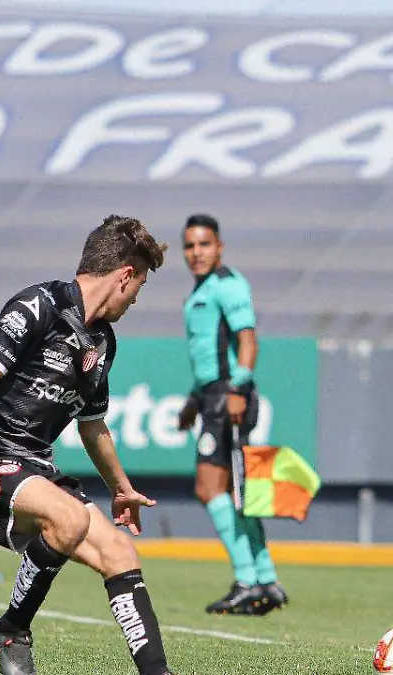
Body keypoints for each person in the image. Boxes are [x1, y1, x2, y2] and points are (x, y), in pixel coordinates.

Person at [0, 215, 179, 675]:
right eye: (140, 286)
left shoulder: (102, 342)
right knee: (65, 518)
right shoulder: (36, 306)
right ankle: (12, 630)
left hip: (32, 467)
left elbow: (92, 426)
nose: (136, 299)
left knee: (120, 553)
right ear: (124, 276)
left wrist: (121, 488)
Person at [175, 213, 287, 616]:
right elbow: (208, 356)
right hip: (212, 398)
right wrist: (193, 401)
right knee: (237, 495)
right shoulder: (199, 292)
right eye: (189, 246)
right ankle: (265, 580)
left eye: (204, 244)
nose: (196, 253)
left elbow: (248, 341)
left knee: (211, 489)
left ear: (219, 246)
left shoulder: (229, 285)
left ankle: (248, 579)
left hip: (229, 397)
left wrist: (237, 388)